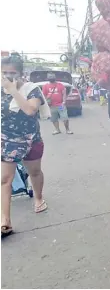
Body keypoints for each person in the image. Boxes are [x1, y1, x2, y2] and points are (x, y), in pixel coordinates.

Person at [1, 56, 51, 237]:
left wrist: (14, 91)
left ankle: (38, 198)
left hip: (31, 140)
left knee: (34, 172)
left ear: (21, 73)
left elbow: (30, 110)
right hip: (8, 142)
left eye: (12, 73)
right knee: (5, 179)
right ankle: (5, 221)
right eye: (4, 72)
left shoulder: (32, 90)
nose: (8, 76)